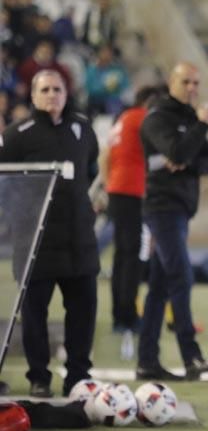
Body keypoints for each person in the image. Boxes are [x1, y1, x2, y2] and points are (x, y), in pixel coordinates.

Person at [0, 70, 100, 398]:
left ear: (66, 93)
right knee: (34, 315)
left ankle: (78, 378)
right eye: (45, 89)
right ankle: (39, 377)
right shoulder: (18, 135)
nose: (52, 95)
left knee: (83, 314)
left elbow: (91, 171)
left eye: (57, 89)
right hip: (36, 244)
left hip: (79, 242)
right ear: (33, 96)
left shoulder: (83, 129)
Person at [136, 62, 208, 382]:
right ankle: (191, 356)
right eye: (186, 81)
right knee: (181, 276)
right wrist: (198, 133)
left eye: (196, 83)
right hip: (161, 208)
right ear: (171, 82)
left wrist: (184, 159)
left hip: (181, 210)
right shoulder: (158, 118)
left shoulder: (189, 118)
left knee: (159, 287)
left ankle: (147, 361)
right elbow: (179, 151)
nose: (192, 88)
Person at [97, 86, 163, 335]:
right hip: (132, 190)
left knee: (122, 254)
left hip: (117, 188)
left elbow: (105, 155)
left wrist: (107, 183)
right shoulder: (143, 119)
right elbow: (158, 154)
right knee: (132, 256)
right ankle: (127, 316)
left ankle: (119, 314)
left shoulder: (123, 119)